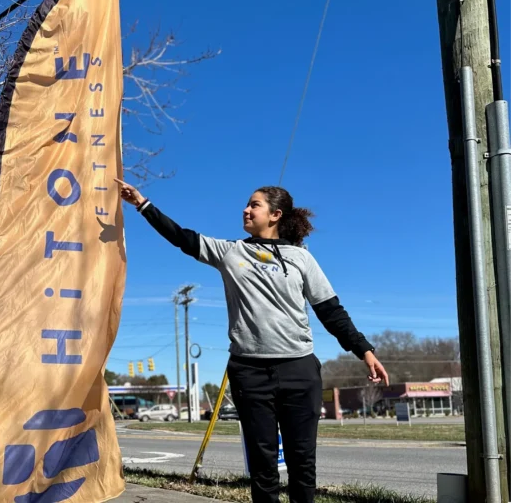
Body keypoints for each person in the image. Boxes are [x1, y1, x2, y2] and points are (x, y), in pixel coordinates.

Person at [115, 180, 389, 503]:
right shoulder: (231, 252)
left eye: (253, 205)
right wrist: (143, 204)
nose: (245, 209)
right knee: (263, 468)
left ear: (275, 214)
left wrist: (364, 350)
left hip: (299, 371)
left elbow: (331, 311)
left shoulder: (301, 259)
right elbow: (182, 238)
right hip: (250, 373)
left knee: (303, 465)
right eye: (247, 204)